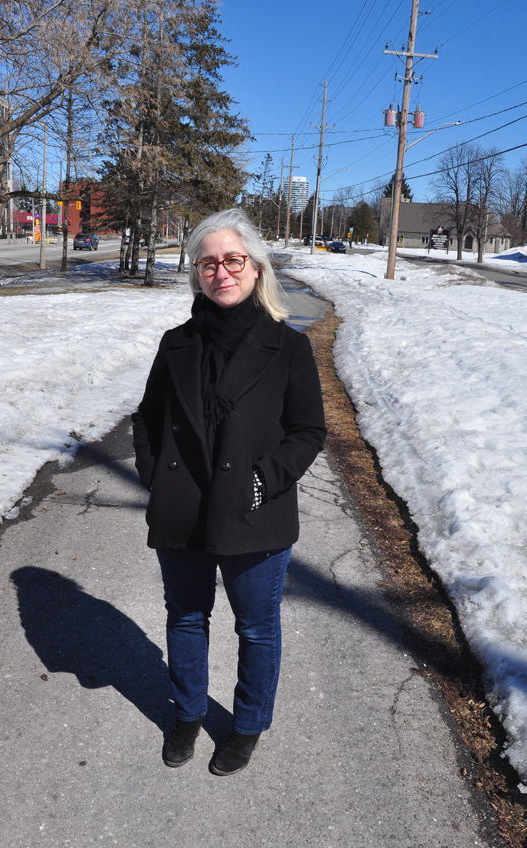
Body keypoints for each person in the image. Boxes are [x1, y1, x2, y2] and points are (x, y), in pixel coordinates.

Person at [132, 208, 326, 776]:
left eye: (232, 260)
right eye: (209, 262)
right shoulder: (176, 345)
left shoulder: (287, 348)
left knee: (257, 627)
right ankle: (188, 713)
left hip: (253, 512)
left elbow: (308, 431)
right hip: (183, 509)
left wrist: (264, 479)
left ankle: (246, 726)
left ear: (256, 267)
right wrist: (154, 474)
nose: (221, 271)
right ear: (196, 272)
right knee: (187, 617)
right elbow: (146, 419)